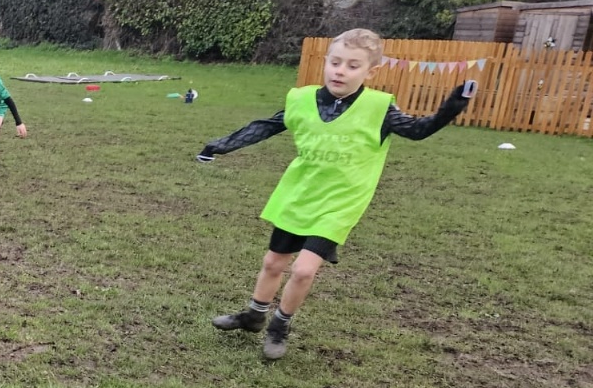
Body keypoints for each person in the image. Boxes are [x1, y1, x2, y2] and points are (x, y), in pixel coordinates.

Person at [199, 27, 471, 360]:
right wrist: (220, 146)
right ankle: (254, 316)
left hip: (341, 203)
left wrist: (450, 109)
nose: (341, 71)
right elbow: (267, 126)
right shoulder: (303, 100)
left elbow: (417, 130)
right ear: (326, 62)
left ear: (371, 72)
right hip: (300, 194)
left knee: (303, 270)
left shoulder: (379, 108)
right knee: (273, 263)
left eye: (353, 66)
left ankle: (279, 327)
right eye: (336, 62)